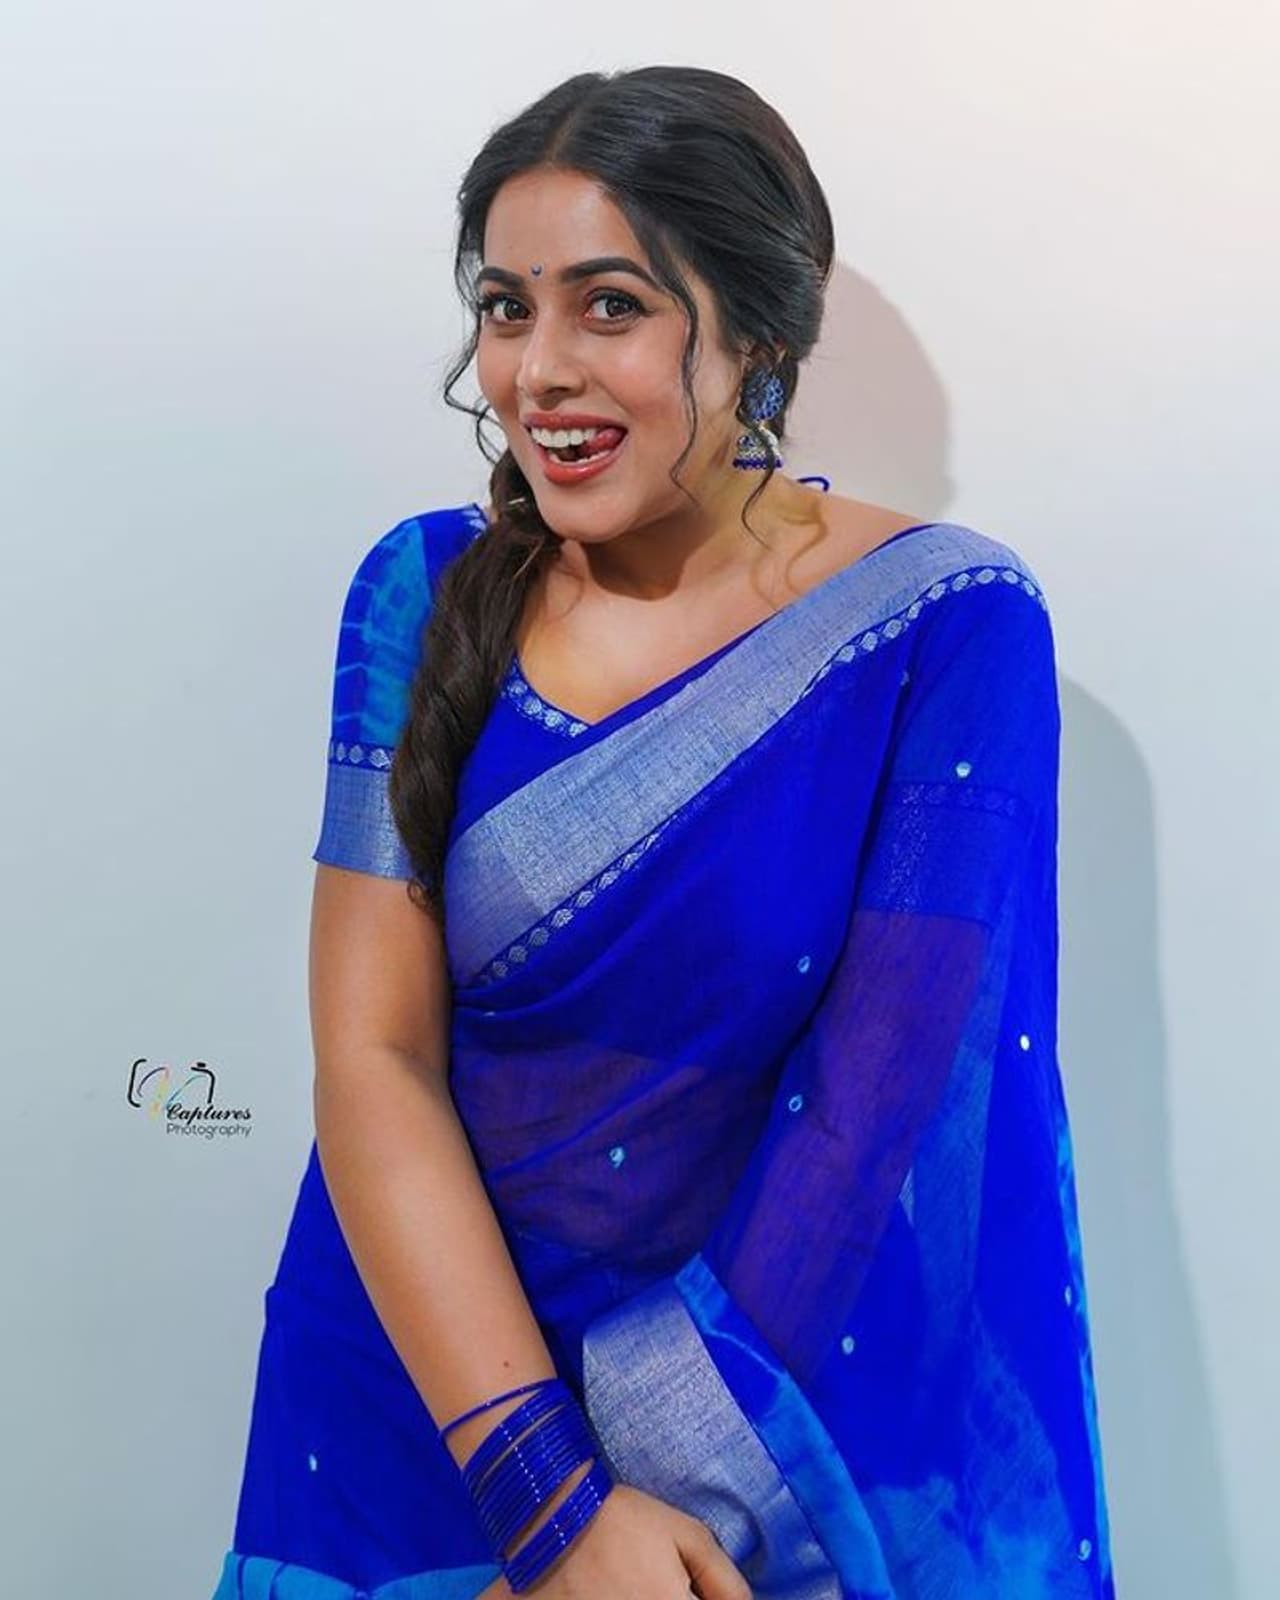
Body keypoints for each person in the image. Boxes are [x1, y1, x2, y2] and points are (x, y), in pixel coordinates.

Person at [209, 65, 1117, 1600]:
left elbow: (873, 1118)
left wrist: (641, 1509)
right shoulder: (421, 595)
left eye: (610, 307)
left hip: (747, 1456)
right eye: (507, 308)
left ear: (756, 330)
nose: (538, 371)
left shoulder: (941, 627)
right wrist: (546, 1503)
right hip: (416, 1412)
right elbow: (374, 1058)